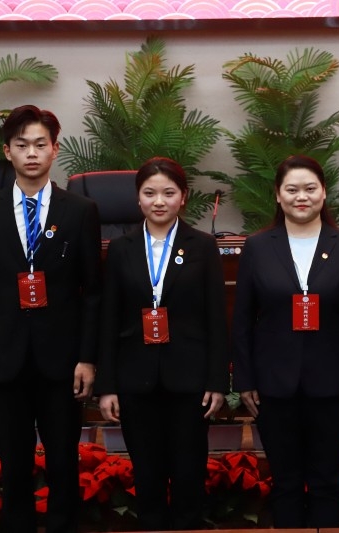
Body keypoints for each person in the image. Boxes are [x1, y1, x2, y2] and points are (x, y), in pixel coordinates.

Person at [0, 104, 102, 532]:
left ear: (55, 150)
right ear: (8, 151)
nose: (32, 153)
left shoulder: (80, 210)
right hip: (5, 357)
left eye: (41, 144)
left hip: (62, 359)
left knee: (63, 459)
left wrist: (87, 358)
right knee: (14, 460)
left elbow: (93, 293)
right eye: (22, 145)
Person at [231, 154, 339, 528]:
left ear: (324, 193)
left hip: (333, 384)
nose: (301, 197)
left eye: (310, 188)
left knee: (328, 483)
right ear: (278, 195)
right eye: (292, 189)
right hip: (273, 384)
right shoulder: (258, 246)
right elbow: (242, 320)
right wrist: (244, 380)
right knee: (285, 483)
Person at [95, 157, 228, 530]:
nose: (159, 201)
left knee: (188, 474)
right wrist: (107, 386)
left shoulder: (203, 246)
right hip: (135, 379)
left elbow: (217, 318)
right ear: (138, 198)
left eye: (168, 193)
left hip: (190, 379)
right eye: (149, 193)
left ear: (183, 197)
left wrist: (217, 381)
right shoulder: (120, 248)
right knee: (147, 475)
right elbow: (109, 320)